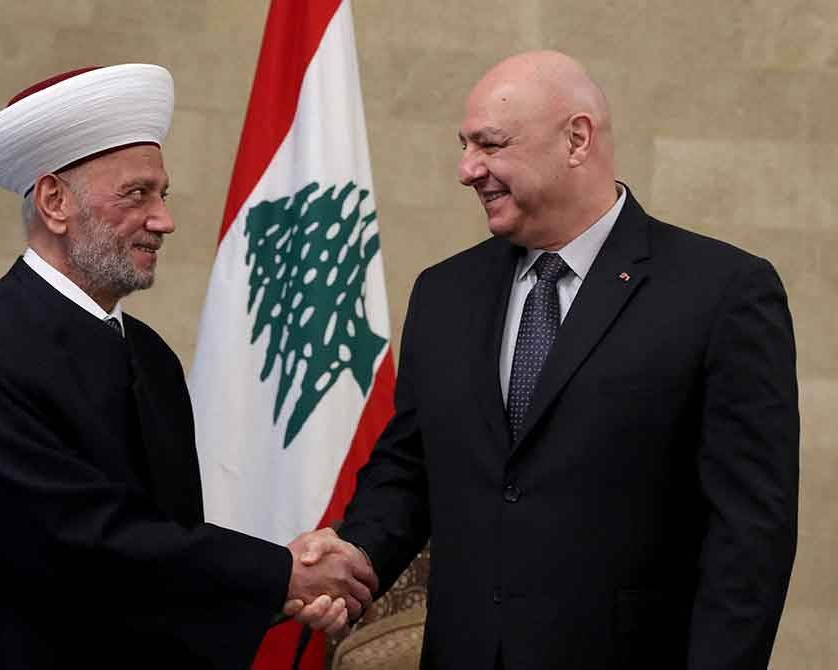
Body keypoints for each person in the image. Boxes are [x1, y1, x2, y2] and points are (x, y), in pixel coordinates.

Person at [292, 50, 799, 668]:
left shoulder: (721, 292)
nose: (466, 169)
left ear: (577, 139)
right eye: (465, 145)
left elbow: (750, 537)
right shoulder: (445, 292)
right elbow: (409, 468)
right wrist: (357, 556)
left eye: (491, 144)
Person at [0, 63, 375, 670]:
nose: (163, 219)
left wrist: (281, 589)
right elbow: (73, 542)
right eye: (137, 194)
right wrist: (277, 573)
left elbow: (160, 555)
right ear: (55, 202)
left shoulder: (152, 359)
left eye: (162, 194)